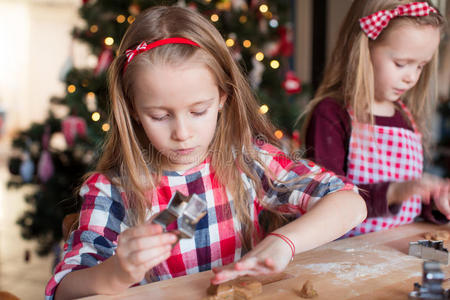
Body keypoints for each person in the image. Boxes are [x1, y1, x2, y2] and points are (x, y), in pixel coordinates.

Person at [45, 6, 367, 299]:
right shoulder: (112, 190)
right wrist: (118, 271)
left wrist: (284, 242)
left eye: (198, 111)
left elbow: (350, 203)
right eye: (159, 116)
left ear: (223, 97)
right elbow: (63, 290)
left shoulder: (247, 160)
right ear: (132, 110)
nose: (182, 134)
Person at [302, 0, 448, 238]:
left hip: (395, 252)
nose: (411, 77)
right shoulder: (332, 114)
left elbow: (412, 205)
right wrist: (392, 192)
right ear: (363, 49)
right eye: (401, 64)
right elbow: (323, 200)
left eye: (421, 66)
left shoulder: (406, 116)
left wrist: (435, 203)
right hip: (344, 254)